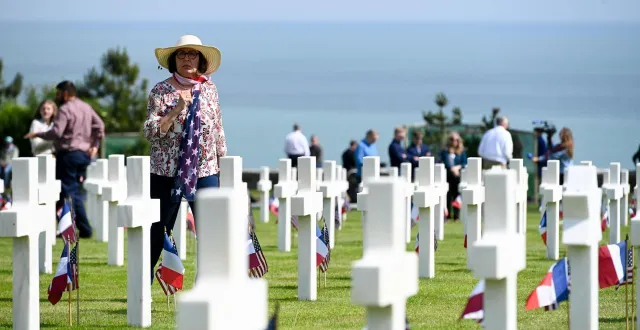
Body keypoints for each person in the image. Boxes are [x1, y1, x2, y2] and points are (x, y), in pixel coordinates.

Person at [144, 34, 226, 276]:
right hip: (166, 172)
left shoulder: (210, 89)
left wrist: (224, 163)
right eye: (181, 54)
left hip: (205, 170)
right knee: (158, 231)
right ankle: (143, 288)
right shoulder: (161, 90)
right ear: (173, 60)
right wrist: (177, 109)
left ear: (201, 60)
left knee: (210, 232)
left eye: (192, 54)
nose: (187, 58)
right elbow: (150, 131)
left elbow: (218, 129)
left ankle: (212, 286)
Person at [24, 81, 104, 238]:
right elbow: (100, 126)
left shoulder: (65, 109)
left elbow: (56, 133)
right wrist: (95, 144)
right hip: (83, 155)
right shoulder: (86, 107)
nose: (57, 96)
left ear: (66, 93)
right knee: (71, 192)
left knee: (69, 192)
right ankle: (65, 227)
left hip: (68, 155)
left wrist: (38, 134)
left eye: (58, 93)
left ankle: (85, 229)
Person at [439, 131, 467, 221]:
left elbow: (464, 162)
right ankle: (447, 215)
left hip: (457, 176)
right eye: (452, 139)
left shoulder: (461, 152)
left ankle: (456, 216)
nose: (454, 141)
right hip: (447, 176)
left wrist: (457, 167)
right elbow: (441, 161)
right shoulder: (444, 151)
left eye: (456, 140)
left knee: (457, 195)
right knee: (447, 195)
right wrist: (451, 168)